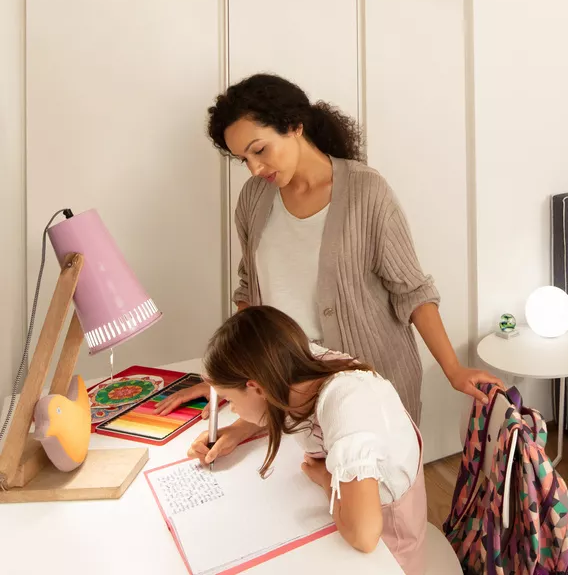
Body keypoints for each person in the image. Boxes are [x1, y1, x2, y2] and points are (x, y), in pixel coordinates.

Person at [158, 73, 493, 425]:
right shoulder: (254, 199)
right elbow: (250, 293)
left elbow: (411, 291)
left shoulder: (366, 191)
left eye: (259, 150)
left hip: (370, 385)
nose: (254, 168)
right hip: (289, 386)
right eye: (243, 159)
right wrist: (227, 379)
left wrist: (454, 369)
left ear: (294, 126)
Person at [189, 306, 428, 575]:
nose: (232, 409)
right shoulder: (295, 363)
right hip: (356, 506)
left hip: (389, 540)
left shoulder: (346, 405)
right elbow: (273, 393)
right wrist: (238, 430)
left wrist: (327, 480)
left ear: (256, 387)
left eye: (230, 400)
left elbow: (364, 535)